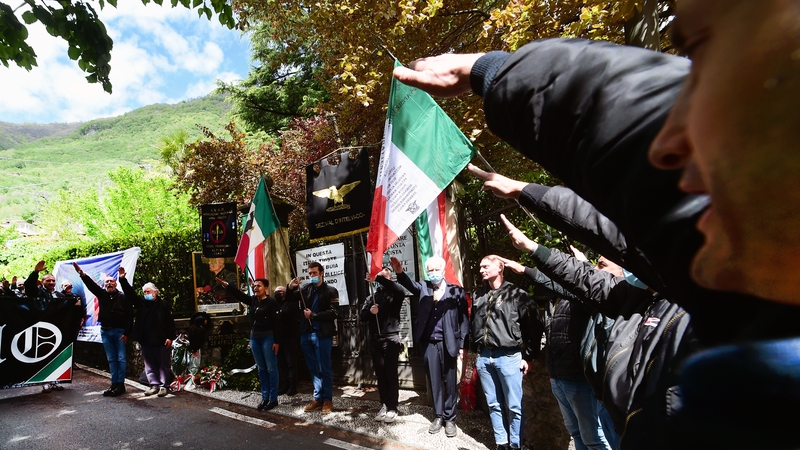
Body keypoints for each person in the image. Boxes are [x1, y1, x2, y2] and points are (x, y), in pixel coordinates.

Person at [500, 253, 618, 450]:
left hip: (578, 379)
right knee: (576, 433)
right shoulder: (557, 300)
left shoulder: (586, 296)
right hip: (559, 378)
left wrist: (526, 269)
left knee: (593, 438)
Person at [391, 255, 468, 438]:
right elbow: (409, 284)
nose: (433, 273)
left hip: (448, 342)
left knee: (449, 382)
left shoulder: (456, 291)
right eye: (430, 270)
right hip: (428, 343)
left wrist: (463, 344)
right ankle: (438, 416)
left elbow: (464, 320)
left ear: (443, 270)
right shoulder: (424, 287)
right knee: (434, 381)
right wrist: (399, 272)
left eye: (436, 269)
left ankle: (450, 418)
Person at [471, 255, 542, 450]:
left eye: (485, 266)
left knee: (514, 406)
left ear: (500, 267)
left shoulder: (516, 295)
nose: (481, 270)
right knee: (493, 404)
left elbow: (534, 325)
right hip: (484, 356)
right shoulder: (479, 294)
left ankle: (515, 444)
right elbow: (474, 324)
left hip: (509, 357)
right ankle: (501, 443)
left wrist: (528, 356)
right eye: (480, 266)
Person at [220, 277, 280, 411]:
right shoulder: (253, 301)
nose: (256, 288)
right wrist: (228, 285)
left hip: (268, 338)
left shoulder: (271, 303)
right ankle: (265, 397)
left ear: (266, 288)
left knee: (271, 369)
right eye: (255, 286)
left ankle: (273, 398)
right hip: (255, 338)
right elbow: (239, 295)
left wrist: (277, 341)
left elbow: (277, 323)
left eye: (259, 286)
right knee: (261, 369)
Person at [74, 262, 133, 397]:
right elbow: (91, 285)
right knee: (111, 359)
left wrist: (127, 333)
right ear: (104, 284)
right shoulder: (102, 294)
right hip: (105, 331)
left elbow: (130, 316)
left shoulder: (123, 297)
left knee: (121, 358)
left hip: (119, 332)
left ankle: (120, 385)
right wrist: (82, 274)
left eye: (112, 281)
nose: (109, 284)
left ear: (116, 283)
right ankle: (113, 384)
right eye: (107, 282)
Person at [288, 261, 339, 414]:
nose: (312, 276)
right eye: (310, 273)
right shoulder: (306, 289)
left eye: (314, 273)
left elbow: (334, 312)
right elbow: (290, 298)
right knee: (313, 368)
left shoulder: (331, 291)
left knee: (324, 368)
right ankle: (318, 398)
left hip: (322, 334)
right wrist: (290, 286)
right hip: (306, 334)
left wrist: (314, 315)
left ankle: (327, 400)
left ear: (322, 273)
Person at [118, 267, 175, 398]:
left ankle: (164, 386)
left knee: (163, 364)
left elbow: (170, 322)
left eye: (148, 291)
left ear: (155, 292)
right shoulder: (142, 303)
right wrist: (122, 279)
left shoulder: (164, 305)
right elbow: (130, 294)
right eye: (144, 292)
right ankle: (154, 385)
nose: (146, 293)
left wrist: (170, 337)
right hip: (146, 339)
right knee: (149, 364)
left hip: (161, 340)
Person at [360, 265, 406, 424]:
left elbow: (400, 290)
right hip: (375, 339)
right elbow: (362, 316)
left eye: (383, 278)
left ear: (390, 279)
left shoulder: (395, 294)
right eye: (378, 278)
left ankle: (393, 407)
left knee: (390, 373)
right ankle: (384, 404)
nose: (380, 282)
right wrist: (370, 312)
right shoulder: (372, 296)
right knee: (380, 374)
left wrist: (377, 277)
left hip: (391, 338)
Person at [25, 260, 67, 393]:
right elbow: (29, 287)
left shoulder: (60, 295)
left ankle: (55, 381)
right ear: (42, 282)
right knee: (43, 355)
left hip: (58, 330)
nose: (51, 283)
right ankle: (45, 382)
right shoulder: (38, 293)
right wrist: (36, 272)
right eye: (48, 280)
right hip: (43, 330)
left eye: (53, 280)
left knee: (56, 356)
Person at [274, 285, 299, 396]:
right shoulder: (274, 304)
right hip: (278, 338)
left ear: (285, 293)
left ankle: (292, 385)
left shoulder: (291, 304)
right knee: (281, 363)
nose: (278, 293)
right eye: (276, 291)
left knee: (290, 363)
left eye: (280, 291)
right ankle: (284, 385)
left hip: (289, 337)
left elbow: (286, 314)